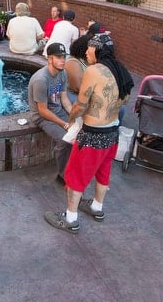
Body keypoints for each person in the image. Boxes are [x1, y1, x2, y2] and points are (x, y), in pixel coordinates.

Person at [44, 33, 131, 234]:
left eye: (89, 48)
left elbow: (81, 104)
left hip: (92, 134)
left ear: (97, 50)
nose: (86, 51)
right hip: (112, 131)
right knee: (103, 171)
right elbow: (125, 99)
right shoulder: (120, 69)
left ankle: (71, 218)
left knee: (75, 175)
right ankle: (96, 207)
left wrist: (72, 119)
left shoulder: (94, 70)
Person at [28, 42, 73, 183]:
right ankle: (63, 174)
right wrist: (65, 124)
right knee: (65, 140)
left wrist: (74, 116)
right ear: (49, 59)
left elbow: (64, 98)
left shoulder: (63, 72)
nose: (62, 60)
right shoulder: (41, 80)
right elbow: (42, 110)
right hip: (42, 117)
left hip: (58, 111)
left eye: (64, 57)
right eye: (58, 57)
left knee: (79, 131)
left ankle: (72, 165)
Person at [64, 35, 90, 104]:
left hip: (83, 96)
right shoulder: (73, 63)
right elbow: (78, 88)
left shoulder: (85, 62)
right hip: (71, 97)